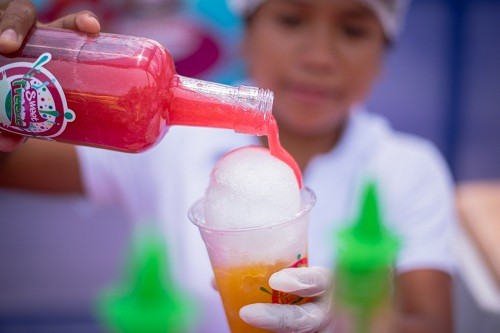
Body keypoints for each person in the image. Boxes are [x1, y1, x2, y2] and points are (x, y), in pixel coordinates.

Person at [0, 0, 456, 332]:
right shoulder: (164, 136)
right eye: (292, 20)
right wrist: (21, 78)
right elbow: (11, 164)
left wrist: (350, 316)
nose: (319, 56)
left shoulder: (407, 168)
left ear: (383, 57)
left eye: (354, 30)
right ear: (247, 34)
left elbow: (435, 323)